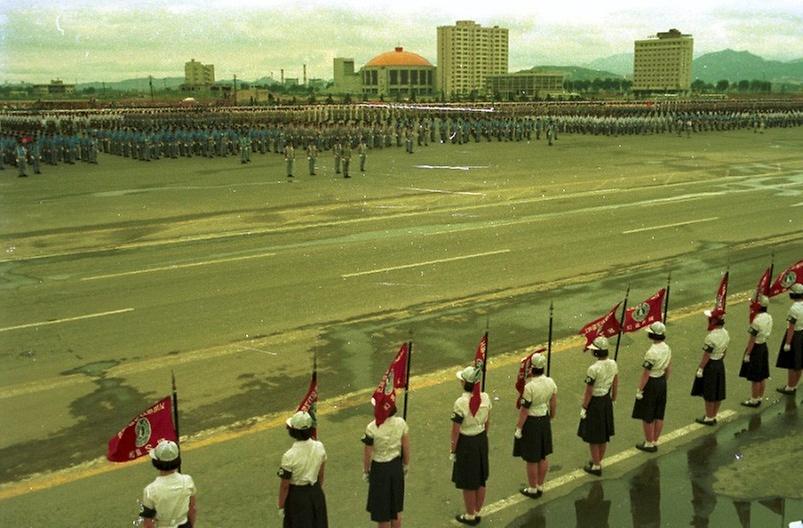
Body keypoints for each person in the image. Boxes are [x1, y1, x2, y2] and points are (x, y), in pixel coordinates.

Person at [451, 366, 492, 526]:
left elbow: (455, 431)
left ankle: (470, 515)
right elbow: (487, 421)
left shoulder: (460, 403)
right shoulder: (486, 398)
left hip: (466, 441)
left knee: (468, 481)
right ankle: (477, 509)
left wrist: (453, 449)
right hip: (481, 438)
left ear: (463, 383)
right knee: (480, 477)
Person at [513, 352, 557, 499]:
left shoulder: (530, 387)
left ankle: (532, 488)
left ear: (532, 369)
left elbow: (524, 411)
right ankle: (540, 484)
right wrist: (551, 416)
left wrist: (519, 428)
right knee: (543, 455)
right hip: (544, 418)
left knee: (531, 458)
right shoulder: (550, 382)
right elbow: (553, 402)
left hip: (531, 422)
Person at [362, 403, 410, 528]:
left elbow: (368, 452)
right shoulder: (401, 423)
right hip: (395, 466)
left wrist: (366, 471)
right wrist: (406, 464)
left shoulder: (372, 427)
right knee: (396, 509)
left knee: (382, 513)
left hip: (380, 470)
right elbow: (405, 446)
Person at [278, 411, 328, 528]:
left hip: (297, 497)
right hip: (316, 493)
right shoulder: (319, 447)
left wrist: (281, 506)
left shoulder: (289, 456)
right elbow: (321, 475)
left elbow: (284, 486)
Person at [577, 336, 618, 476]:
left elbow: (589, 391)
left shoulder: (593, 369)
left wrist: (584, 407)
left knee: (594, 436)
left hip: (595, 401)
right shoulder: (613, 364)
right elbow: (615, 381)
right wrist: (614, 397)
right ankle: (598, 460)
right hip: (606, 399)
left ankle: (596, 465)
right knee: (603, 434)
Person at [632, 322, 671, 452]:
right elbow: (668, 368)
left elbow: (646, 373)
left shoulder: (651, 352)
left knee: (647, 415)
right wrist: (664, 380)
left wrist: (640, 389)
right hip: (661, 381)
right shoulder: (667, 348)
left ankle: (649, 443)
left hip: (652, 383)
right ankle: (655, 440)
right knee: (659, 414)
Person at [138, 440, 197, 528]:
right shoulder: (188, 480)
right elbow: (192, 508)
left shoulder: (150, 490)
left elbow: (148, 523)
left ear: (156, 462)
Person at [691, 309, 729, 425]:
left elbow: (707, 354)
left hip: (711, 364)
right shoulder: (725, 333)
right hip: (719, 363)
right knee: (718, 391)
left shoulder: (711, 337)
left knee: (709, 392)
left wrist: (701, 368)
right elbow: (725, 350)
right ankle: (713, 415)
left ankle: (708, 417)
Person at [739, 295, 772, 406]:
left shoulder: (756, 321)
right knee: (762, 375)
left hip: (756, 348)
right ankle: (760, 397)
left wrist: (748, 353)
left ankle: (754, 399)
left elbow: (752, 339)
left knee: (755, 377)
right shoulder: (769, 317)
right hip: (764, 345)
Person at [777, 283, 803, 395]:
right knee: (800, 362)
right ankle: (795, 384)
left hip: (795, 336)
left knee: (791, 364)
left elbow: (791, 327)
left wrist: (787, 343)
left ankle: (790, 386)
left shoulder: (794, 309)